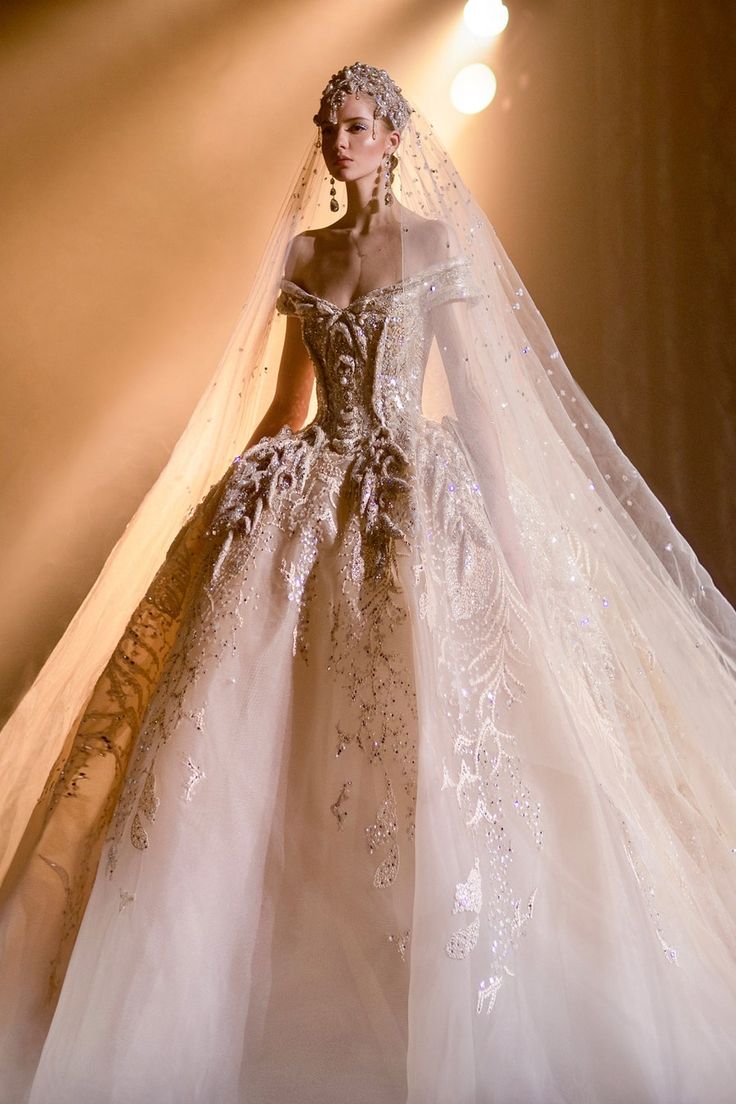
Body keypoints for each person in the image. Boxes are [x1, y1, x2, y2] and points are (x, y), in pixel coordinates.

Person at [0, 61, 735, 1104]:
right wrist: (221, 509)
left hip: (406, 503)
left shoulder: (435, 248)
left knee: (439, 729)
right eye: (328, 127)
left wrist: (511, 546)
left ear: (392, 135)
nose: (338, 143)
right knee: (251, 730)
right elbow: (284, 408)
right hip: (308, 502)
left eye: (356, 126)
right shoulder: (301, 254)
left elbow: (479, 406)